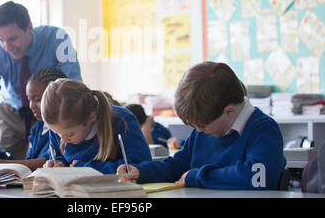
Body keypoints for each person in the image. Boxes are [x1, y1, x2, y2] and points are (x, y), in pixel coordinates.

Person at [118, 62, 286, 190]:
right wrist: (141, 172)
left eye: (203, 126)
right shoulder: (204, 130)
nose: (198, 131)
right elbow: (177, 166)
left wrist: (197, 176)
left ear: (229, 112)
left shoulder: (263, 130)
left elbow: (259, 178)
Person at [0, 1, 82, 160]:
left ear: (30, 27)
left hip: (51, 110)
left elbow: (73, 86)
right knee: (5, 168)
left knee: (54, 160)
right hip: (12, 113)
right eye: (1, 40)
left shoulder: (57, 39)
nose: (7, 46)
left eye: (12, 38)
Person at [41, 79, 152, 174]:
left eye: (69, 134)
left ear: (91, 117)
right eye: (56, 133)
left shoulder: (121, 120)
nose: (62, 140)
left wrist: (85, 169)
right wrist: (58, 164)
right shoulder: (60, 126)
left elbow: (140, 165)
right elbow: (60, 156)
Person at [0, 68, 67, 171]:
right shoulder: (38, 128)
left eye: (37, 100)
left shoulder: (60, 130)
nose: (31, 106)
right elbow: (30, 159)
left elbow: (46, 160)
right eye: (29, 100)